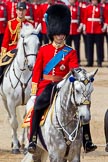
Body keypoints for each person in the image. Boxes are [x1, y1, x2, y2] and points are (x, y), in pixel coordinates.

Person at [27, 4, 97, 154]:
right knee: (37, 106)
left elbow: (74, 69)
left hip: (63, 85)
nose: (61, 36)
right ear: (53, 33)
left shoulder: (70, 52)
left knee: (82, 107)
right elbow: (37, 71)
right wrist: (33, 93)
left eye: (62, 33)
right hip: (46, 85)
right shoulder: (44, 50)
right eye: (58, 34)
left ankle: (87, 139)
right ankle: (32, 139)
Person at [0, 1, 34, 82]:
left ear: (26, 11)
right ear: (16, 11)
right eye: (19, 10)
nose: (20, 12)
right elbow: (5, 40)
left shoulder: (29, 24)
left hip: (26, 50)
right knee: (1, 66)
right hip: (13, 50)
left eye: (22, 10)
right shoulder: (10, 23)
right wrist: (3, 53)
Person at [83, 0, 107, 67]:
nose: (94, 2)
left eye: (95, 0)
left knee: (99, 47)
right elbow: (85, 19)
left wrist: (104, 27)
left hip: (98, 30)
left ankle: (99, 62)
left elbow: (106, 18)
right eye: (93, 0)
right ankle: (90, 62)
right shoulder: (88, 8)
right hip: (89, 30)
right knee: (89, 47)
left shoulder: (102, 8)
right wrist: (84, 28)